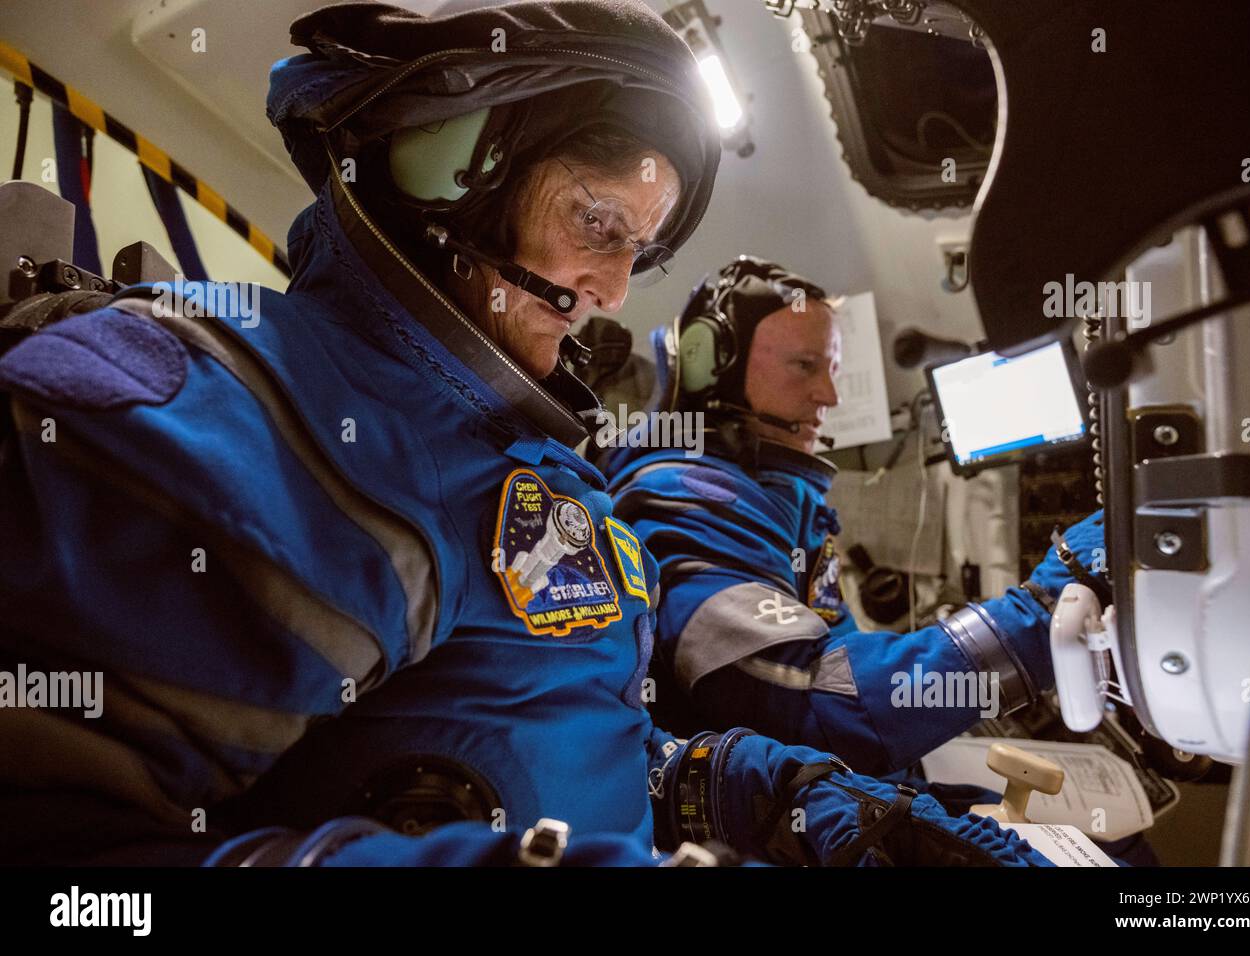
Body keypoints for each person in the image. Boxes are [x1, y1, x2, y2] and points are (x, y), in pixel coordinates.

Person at [0, 2, 1054, 867]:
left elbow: (575, 736)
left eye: (637, 250)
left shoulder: (531, 469)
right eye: (597, 223)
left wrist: (788, 798)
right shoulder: (250, 401)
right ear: (450, 167)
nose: (609, 286)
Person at [601, 256, 1107, 779]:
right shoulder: (685, 500)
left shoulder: (771, 490)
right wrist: (1043, 613)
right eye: (805, 365)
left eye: (834, 370)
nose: (831, 395)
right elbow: (809, 704)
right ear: (711, 366)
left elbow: (833, 656)